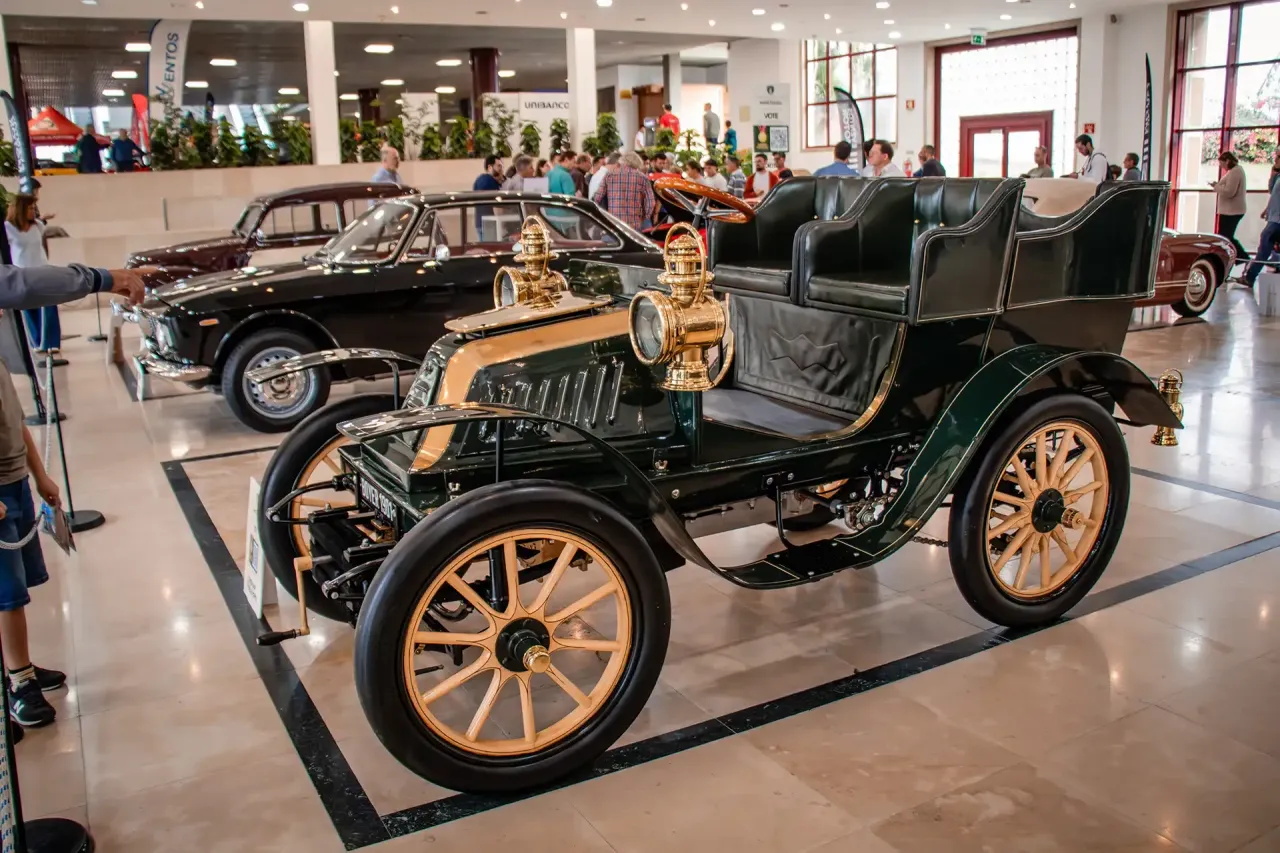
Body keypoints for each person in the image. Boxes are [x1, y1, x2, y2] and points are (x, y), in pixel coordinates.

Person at [0, 309, 67, 727]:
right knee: (7, 595)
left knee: (20, 583)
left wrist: (39, 475)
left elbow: (16, 420)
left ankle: (19, 665)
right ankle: (19, 684)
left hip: (15, 481)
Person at [4, 196, 60, 355]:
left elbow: (42, 245)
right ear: (20, 209)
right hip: (22, 274)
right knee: (29, 309)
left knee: (48, 306)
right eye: (30, 208)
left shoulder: (38, 226)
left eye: (34, 207)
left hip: (42, 271)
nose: (33, 211)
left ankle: (51, 343)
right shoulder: (8, 228)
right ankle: (37, 342)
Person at [592, 151, 657, 231]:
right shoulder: (643, 178)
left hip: (614, 222)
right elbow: (651, 203)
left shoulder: (610, 175)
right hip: (635, 224)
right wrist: (645, 217)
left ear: (622, 161)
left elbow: (597, 198)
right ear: (637, 162)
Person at [1212, 151, 1249, 265]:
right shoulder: (1234, 171)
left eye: (1222, 163)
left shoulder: (1235, 172)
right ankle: (1240, 258)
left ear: (1227, 161)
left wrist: (1216, 187)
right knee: (1225, 236)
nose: (1221, 166)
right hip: (1230, 211)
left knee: (1226, 237)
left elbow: (1229, 192)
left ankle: (1242, 257)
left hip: (1231, 211)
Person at [1246, 165, 1280, 289]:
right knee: (1266, 247)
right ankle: (1250, 277)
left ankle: (1250, 277)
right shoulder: (1278, 177)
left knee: (1265, 245)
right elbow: (1273, 193)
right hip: (1273, 217)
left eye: (1278, 158)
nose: (1275, 161)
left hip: (1277, 220)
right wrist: (1267, 210)